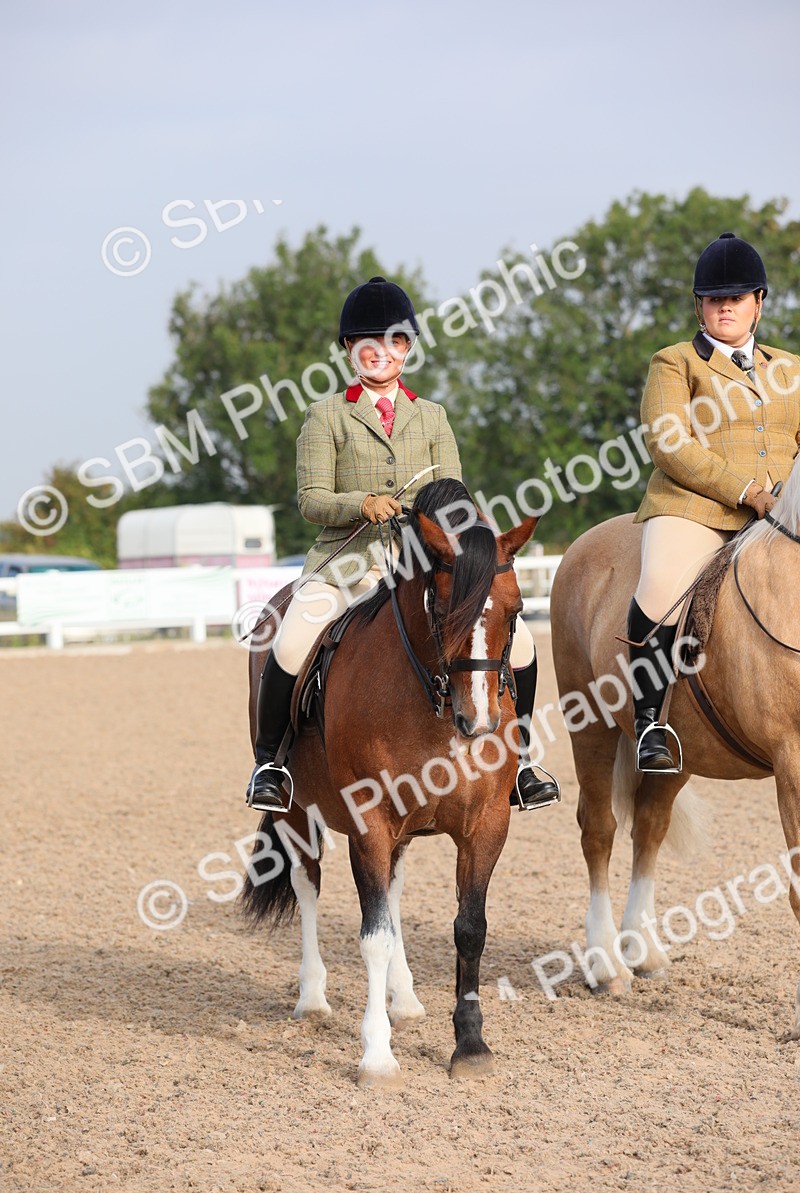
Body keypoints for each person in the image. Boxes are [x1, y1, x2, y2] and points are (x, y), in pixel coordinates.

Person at [246, 275, 560, 812]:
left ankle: (522, 762)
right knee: (293, 639)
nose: (381, 352)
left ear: (408, 349)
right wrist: (360, 504)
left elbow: (455, 498)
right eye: (368, 342)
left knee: (523, 645)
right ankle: (271, 765)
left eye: (394, 341)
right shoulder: (327, 416)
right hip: (349, 563)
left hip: (424, 562)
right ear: (349, 350)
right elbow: (311, 499)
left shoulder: (432, 416)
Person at [630, 232, 800, 771]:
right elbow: (669, 441)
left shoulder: (791, 368)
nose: (725, 306)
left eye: (737, 297)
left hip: (782, 516)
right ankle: (650, 724)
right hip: (698, 509)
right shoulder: (675, 362)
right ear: (700, 305)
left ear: (758, 303)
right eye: (714, 298)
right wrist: (747, 492)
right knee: (659, 590)